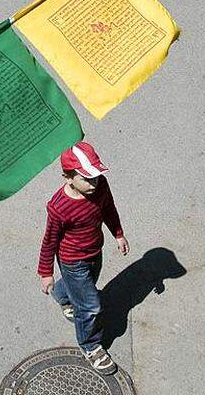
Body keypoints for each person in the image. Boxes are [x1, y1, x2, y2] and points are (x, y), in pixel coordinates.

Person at [37, 141, 129, 375]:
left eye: (96, 176)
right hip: (72, 260)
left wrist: (118, 234)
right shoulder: (58, 207)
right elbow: (49, 241)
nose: (94, 182)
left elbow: (109, 209)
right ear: (68, 177)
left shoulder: (101, 187)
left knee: (88, 284)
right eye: (87, 178)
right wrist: (45, 272)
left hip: (95, 251)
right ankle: (91, 345)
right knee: (91, 306)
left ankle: (63, 294)